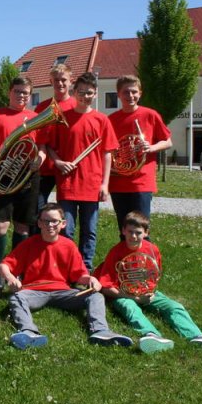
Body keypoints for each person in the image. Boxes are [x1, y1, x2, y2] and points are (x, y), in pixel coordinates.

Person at [94, 211, 202, 354]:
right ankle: (151, 335)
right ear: (123, 231)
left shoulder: (152, 250)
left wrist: (149, 293)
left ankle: (198, 336)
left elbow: (153, 276)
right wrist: (136, 298)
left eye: (138, 233)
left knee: (175, 307)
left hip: (146, 292)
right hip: (123, 294)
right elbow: (106, 288)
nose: (133, 236)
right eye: (130, 232)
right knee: (130, 309)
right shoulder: (115, 252)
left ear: (146, 233)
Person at [0, 203, 133, 350]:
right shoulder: (29, 244)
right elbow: (4, 265)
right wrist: (11, 278)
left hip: (63, 292)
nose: (50, 225)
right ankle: (28, 332)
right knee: (17, 297)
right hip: (34, 291)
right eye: (45, 221)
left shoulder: (69, 245)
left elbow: (79, 275)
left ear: (63, 224)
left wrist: (91, 279)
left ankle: (100, 331)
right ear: (39, 223)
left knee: (96, 296)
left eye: (54, 221)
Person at [43, 72, 118, 271]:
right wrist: (58, 162)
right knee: (66, 229)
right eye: (82, 92)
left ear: (96, 94)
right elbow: (49, 146)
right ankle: (66, 267)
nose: (85, 96)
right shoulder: (62, 119)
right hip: (68, 183)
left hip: (91, 184)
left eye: (89, 93)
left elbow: (107, 154)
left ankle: (85, 269)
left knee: (89, 231)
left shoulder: (102, 120)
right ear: (74, 92)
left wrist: (105, 184)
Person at [0, 77, 43, 275]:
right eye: (17, 91)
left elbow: (42, 146)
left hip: (27, 176)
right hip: (2, 174)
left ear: (30, 95)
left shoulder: (36, 117)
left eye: (25, 92)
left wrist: (40, 159)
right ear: (10, 92)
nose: (21, 95)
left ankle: (16, 269)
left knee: (22, 227)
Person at [107, 75, 172, 234]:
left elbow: (168, 141)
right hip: (118, 182)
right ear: (118, 94)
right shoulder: (111, 120)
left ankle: (145, 251)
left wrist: (151, 147)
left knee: (141, 230)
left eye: (134, 92)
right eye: (126, 92)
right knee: (124, 230)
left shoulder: (150, 115)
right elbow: (107, 150)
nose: (130, 95)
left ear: (140, 93)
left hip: (141, 182)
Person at [34, 64, 77, 211]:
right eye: (56, 80)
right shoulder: (41, 107)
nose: (60, 83)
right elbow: (38, 137)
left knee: (67, 209)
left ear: (71, 81)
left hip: (68, 166)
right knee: (37, 208)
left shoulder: (77, 106)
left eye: (64, 80)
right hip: (45, 167)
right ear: (51, 82)